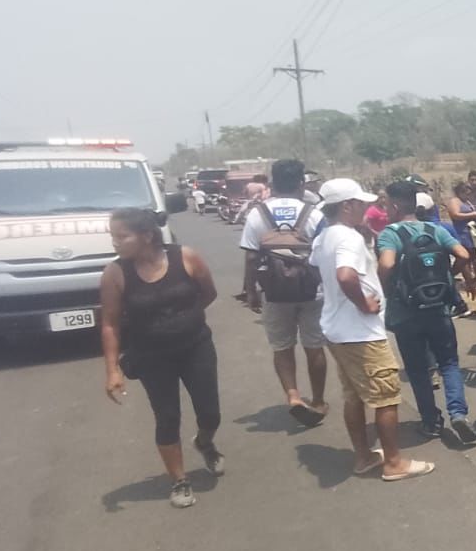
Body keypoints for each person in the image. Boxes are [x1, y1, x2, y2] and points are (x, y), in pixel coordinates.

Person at [309, 179, 434, 482]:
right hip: (360, 332)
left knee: (354, 395)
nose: (366, 208)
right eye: (360, 204)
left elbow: (317, 269)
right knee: (386, 395)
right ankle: (394, 462)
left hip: (337, 328)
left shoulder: (324, 237)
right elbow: (346, 275)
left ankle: (364, 456)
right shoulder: (347, 237)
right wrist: (363, 302)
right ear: (346, 206)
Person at [100, 208, 223, 508]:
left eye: (122, 236)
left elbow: (208, 293)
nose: (115, 242)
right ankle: (179, 480)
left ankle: (204, 442)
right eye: (113, 236)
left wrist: (185, 318)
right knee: (167, 417)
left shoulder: (186, 258)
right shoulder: (115, 273)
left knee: (210, 413)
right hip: (151, 356)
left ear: (146, 236)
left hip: (195, 347)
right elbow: (110, 324)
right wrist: (112, 370)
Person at [377, 180, 476, 445]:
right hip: (438, 308)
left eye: (387, 205)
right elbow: (463, 254)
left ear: (395, 206)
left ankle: (431, 421)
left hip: (406, 313)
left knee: (418, 369)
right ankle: (458, 414)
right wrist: (448, 277)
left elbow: (386, 264)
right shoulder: (435, 230)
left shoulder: (390, 234)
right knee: (449, 363)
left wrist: (386, 289)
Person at [240, 159, 328, 427]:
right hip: (312, 291)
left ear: (272, 183)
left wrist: (251, 291)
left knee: (282, 347)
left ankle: (293, 396)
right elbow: (325, 253)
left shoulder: (257, 214)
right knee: (314, 347)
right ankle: (318, 401)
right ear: (301, 183)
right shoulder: (314, 214)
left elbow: (251, 257)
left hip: (274, 292)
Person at [447, 180, 476, 306]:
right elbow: (455, 215)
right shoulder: (455, 201)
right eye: (466, 192)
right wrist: (472, 214)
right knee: (464, 257)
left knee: (472, 255)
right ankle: (452, 275)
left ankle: (468, 279)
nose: (468, 194)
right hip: (461, 232)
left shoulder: (467, 202)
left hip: (470, 232)